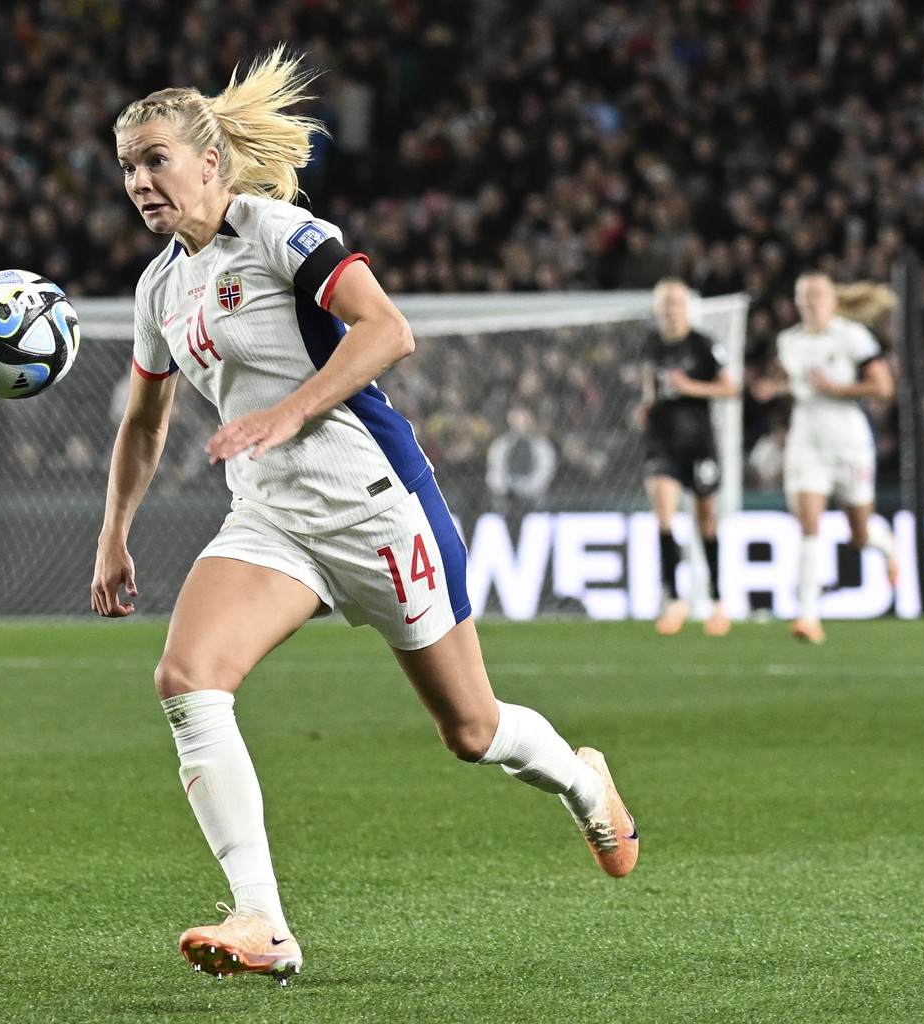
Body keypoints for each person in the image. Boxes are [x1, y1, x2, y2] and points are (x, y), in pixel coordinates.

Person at [90, 48, 638, 986]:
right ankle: (262, 919)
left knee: (471, 732)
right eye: (127, 166)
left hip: (376, 508)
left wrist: (288, 412)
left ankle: (585, 782)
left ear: (210, 162)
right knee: (187, 679)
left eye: (154, 160)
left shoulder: (281, 233)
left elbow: (389, 330)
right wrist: (113, 532)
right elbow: (144, 421)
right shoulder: (158, 289)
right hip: (271, 519)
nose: (139, 181)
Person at [775, 274, 899, 644]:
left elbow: (883, 388)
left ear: (832, 300)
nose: (811, 302)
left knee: (858, 535)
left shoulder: (852, 337)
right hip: (806, 442)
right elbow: (801, 387)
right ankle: (808, 616)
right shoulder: (788, 341)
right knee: (808, 527)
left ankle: (885, 544)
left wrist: (836, 389)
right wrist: (775, 389)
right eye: (804, 295)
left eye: (817, 295)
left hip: (848, 443)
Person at [636, 279, 739, 636]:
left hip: (698, 443)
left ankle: (717, 600)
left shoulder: (703, 344)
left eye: (677, 303)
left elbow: (730, 387)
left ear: (687, 308)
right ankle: (674, 599)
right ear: (658, 308)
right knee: (663, 515)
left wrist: (690, 387)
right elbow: (650, 386)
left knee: (705, 520)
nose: (672, 310)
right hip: (662, 442)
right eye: (666, 303)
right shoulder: (651, 345)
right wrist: (646, 407)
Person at [484, 404, 557, 522]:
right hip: (506, 495)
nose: (520, 423)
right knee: (500, 503)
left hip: (533, 495)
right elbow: (494, 472)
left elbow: (544, 472)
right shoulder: (501, 444)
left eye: (524, 419)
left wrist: (525, 490)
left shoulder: (541, 445)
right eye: (517, 419)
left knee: (539, 502)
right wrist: (506, 489)